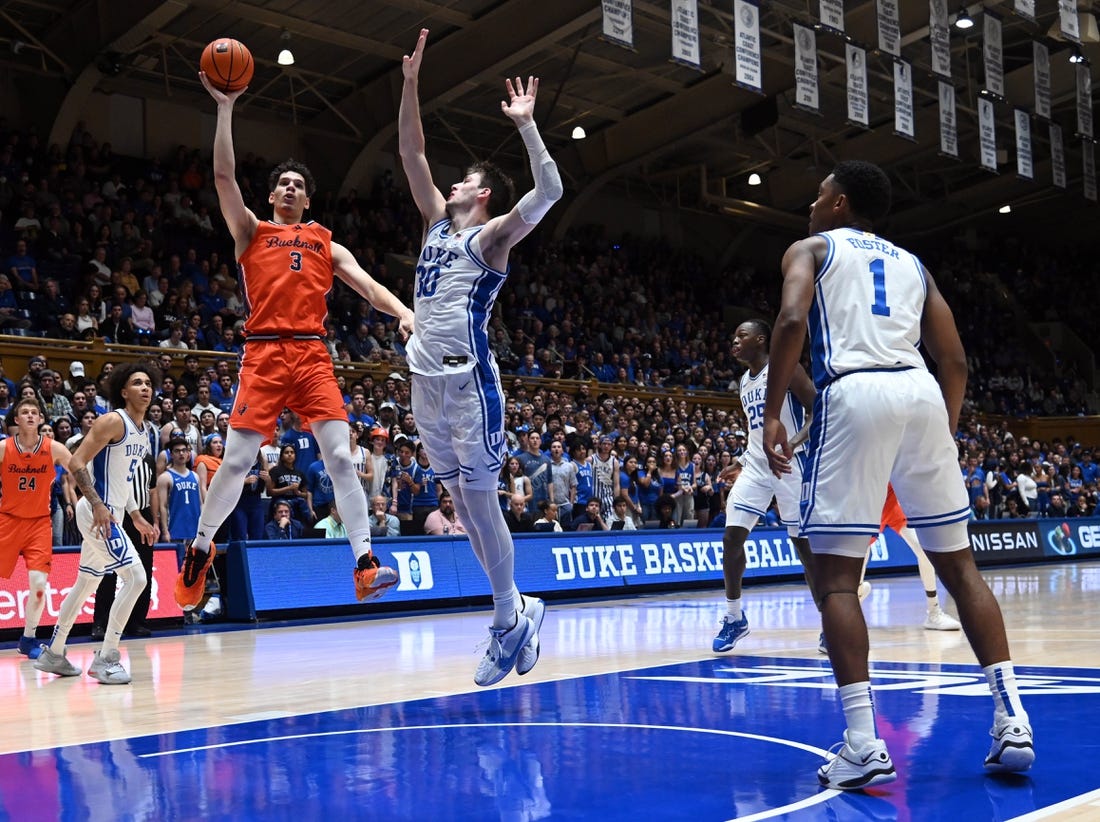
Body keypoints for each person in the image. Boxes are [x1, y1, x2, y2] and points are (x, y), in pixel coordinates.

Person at [762, 160, 1033, 790]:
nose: (810, 203)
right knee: (960, 566)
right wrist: (945, 427)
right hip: (920, 393)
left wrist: (774, 412)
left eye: (819, 194)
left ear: (840, 204)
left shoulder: (811, 247)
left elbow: (792, 322)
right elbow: (956, 359)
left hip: (855, 393)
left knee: (834, 579)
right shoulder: (914, 264)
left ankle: (862, 742)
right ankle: (1012, 716)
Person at [175, 72, 415, 611]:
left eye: (298, 185)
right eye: (282, 183)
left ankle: (364, 562)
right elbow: (221, 174)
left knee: (340, 457)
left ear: (308, 200)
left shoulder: (325, 242)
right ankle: (199, 549)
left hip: (311, 354)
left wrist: (405, 312)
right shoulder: (251, 232)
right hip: (262, 353)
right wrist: (226, 107)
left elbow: (370, 287)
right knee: (235, 461)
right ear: (271, 195)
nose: (290, 188)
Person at [399, 28, 561, 685]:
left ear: (483, 194)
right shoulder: (438, 222)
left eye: (464, 180)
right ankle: (517, 606)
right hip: (422, 380)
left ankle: (505, 618)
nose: (453, 183)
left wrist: (526, 126)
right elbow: (410, 149)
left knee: (481, 500)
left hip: (467, 383)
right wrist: (409, 84)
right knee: (463, 507)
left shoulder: (491, 237)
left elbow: (548, 191)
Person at [35, 363, 160, 684]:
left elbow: (126, 478)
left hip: (115, 511)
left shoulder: (145, 430)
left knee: (86, 583)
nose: (145, 388)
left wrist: (135, 515)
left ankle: (54, 652)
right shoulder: (112, 421)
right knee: (135, 578)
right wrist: (97, 504)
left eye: (148, 383)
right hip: (97, 512)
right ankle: (106, 658)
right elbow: (76, 462)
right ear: (123, 391)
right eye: (137, 383)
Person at [712, 319, 816, 654]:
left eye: (740, 335)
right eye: (733, 336)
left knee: (804, 549)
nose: (734, 341)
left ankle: (829, 621)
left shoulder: (787, 368)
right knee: (732, 538)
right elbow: (757, 431)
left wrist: (793, 443)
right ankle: (734, 617)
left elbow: (819, 410)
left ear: (761, 339)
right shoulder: (744, 382)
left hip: (790, 464)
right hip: (757, 465)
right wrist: (741, 461)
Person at [0, 399, 73, 658]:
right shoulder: (3, 448)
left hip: (40, 523)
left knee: (39, 584)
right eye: (24, 412)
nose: (30, 416)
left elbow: (78, 468)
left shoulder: (54, 448)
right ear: (16, 420)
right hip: (7, 520)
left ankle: (28, 639)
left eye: (34, 412)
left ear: (41, 418)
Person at [92, 445, 158, 640]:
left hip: (142, 514)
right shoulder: (116, 454)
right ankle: (100, 623)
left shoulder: (149, 458)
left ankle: (136, 622)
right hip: (116, 513)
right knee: (109, 569)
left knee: (144, 570)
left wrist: (154, 520)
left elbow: (152, 491)